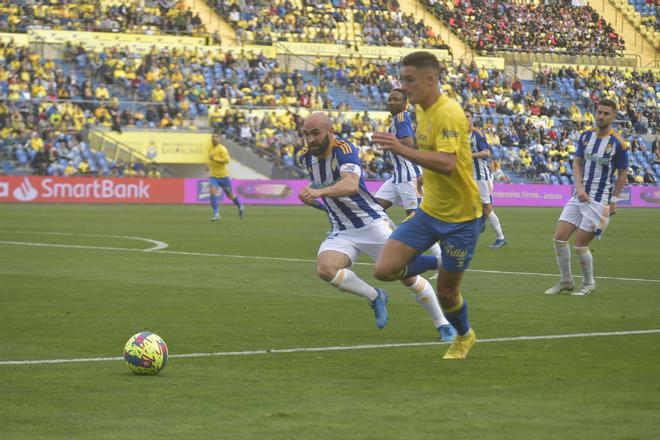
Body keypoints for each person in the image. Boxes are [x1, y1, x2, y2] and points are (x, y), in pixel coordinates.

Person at [297, 112, 456, 341]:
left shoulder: (344, 150)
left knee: (407, 276)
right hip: (342, 230)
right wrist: (313, 196)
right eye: (306, 134)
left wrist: (319, 192)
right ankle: (375, 296)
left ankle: (442, 323)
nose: (310, 139)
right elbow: (322, 184)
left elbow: (351, 185)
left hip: (373, 224)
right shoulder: (305, 158)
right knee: (326, 269)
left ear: (331, 132)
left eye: (315, 133)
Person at [372, 51, 482, 360]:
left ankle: (464, 336)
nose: (403, 87)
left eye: (409, 80)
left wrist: (399, 148)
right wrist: (422, 179)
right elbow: (434, 156)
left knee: (447, 294)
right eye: (402, 80)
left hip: (461, 218)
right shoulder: (420, 110)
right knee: (384, 270)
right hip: (430, 211)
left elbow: (447, 163)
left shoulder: (448, 111)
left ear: (430, 78)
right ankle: (440, 264)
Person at [544, 99, 629, 296]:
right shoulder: (586, 136)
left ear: (614, 116)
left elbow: (623, 174)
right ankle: (566, 281)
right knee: (559, 238)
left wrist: (614, 201)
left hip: (598, 201)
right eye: (599, 112)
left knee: (580, 245)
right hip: (579, 196)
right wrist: (579, 187)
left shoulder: (619, 144)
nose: (601, 116)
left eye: (606, 113)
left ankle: (589, 283)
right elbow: (577, 163)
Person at [375, 89, 444, 262]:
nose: (391, 102)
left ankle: (440, 259)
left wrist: (389, 143)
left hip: (408, 176)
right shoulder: (396, 120)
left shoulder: (401, 117)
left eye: (396, 100)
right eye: (390, 99)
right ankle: (394, 238)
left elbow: (408, 142)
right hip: (397, 176)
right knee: (374, 209)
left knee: (415, 220)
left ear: (405, 103)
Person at [465, 109, 507, 248]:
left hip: (481, 176)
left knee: (487, 208)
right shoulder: (460, 135)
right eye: (463, 117)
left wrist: (469, 155)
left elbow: (487, 152)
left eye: (468, 116)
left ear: (472, 118)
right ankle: (480, 220)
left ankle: (500, 237)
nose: (465, 119)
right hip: (469, 176)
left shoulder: (477, 134)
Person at [208, 132, 244, 221]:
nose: (214, 138)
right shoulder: (210, 149)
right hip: (214, 176)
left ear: (219, 138)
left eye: (216, 137)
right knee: (212, 192)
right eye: (213, 137)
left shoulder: (222, 148)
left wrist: (215, 159)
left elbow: (226, 160)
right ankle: (216, 214)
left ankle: (240, 206)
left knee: (229, 195)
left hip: (223, 177)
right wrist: (208, 165)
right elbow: (211, 161)